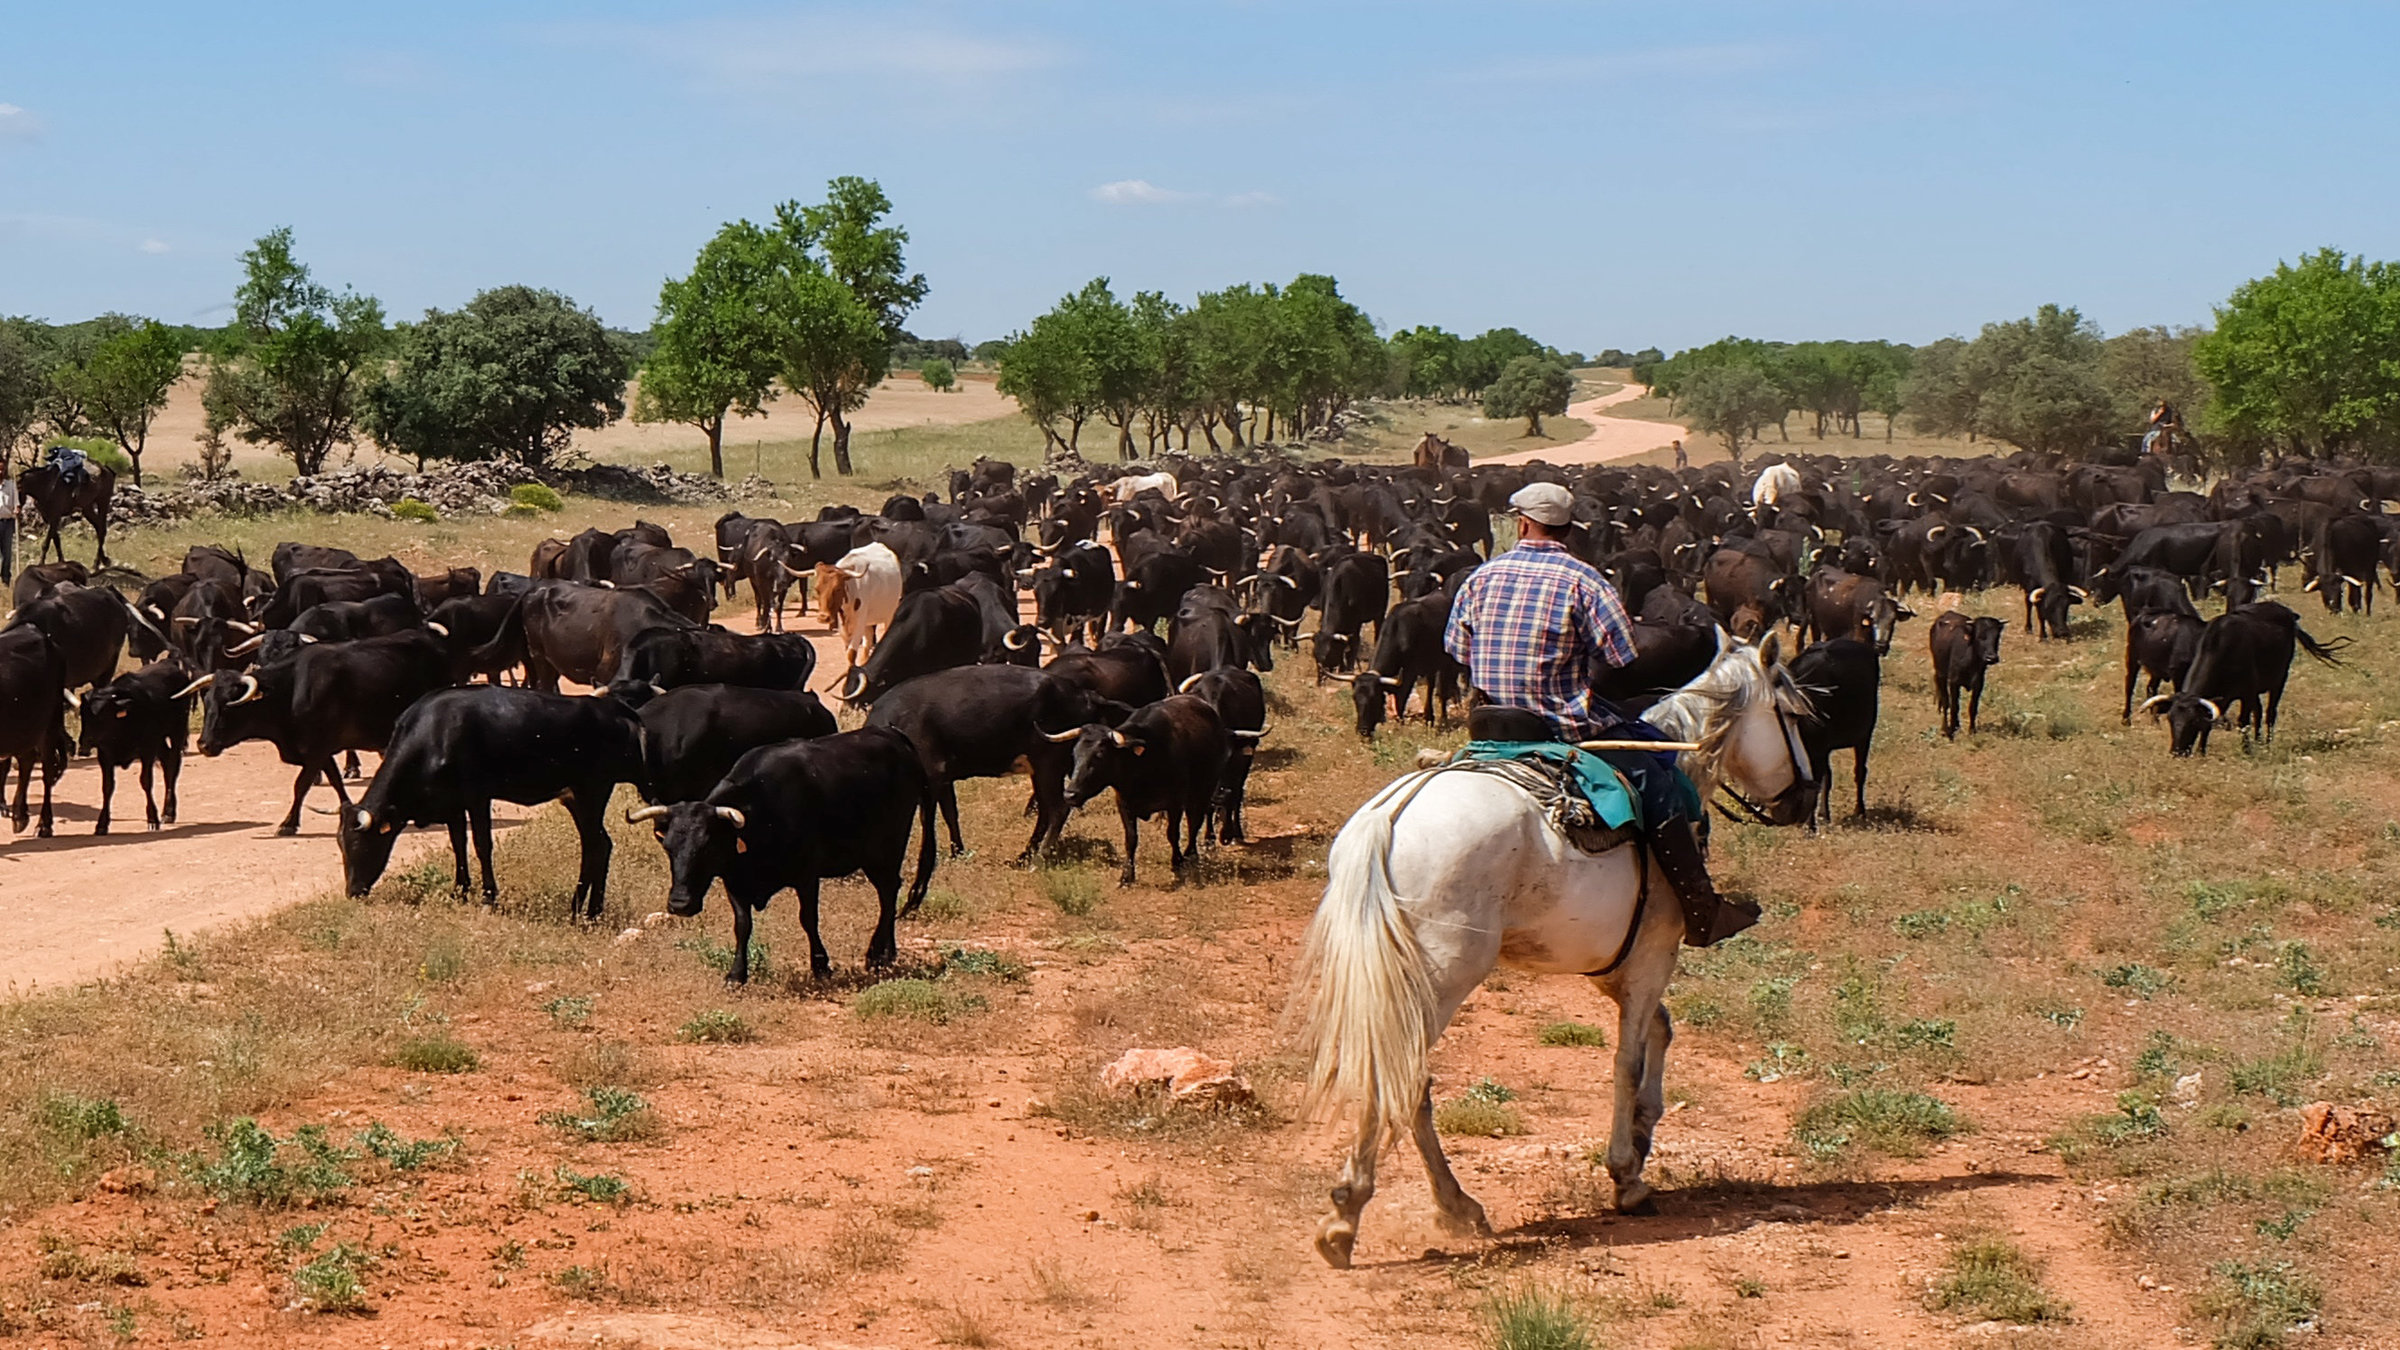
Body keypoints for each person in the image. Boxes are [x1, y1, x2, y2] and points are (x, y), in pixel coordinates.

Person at [1442, 481, 1757, 946]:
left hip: (1489, 723)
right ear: (1567, 529)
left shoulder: (1480, 578)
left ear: (1522, 524)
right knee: (1661, 780)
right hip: (1559, 728)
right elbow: (1623, 654)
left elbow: (1457, 648)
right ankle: (1700, 909)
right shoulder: (1585, 581)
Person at [0, 459, 17, 585]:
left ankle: (6, 579)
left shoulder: (11, 485)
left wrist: (17, 509)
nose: (0, 471)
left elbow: (16, 503)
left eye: (2, 469)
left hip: (8, 522)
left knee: (7, 553)